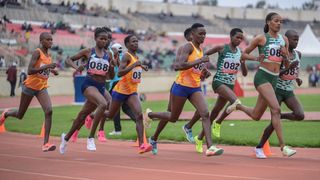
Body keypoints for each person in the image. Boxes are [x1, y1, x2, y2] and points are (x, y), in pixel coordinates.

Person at [146, 23, 223, 156]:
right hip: (181, 87)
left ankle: (210, 147)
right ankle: (150, 116)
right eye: (200, 34)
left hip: (194, 88)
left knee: (205, 113)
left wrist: (203, 73)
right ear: (192, 35)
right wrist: (200, 62)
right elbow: (178, 66)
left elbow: (195, 69)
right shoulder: (187, 47)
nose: (203, 36)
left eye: (205, 34)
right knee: (172, 117)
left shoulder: (201, 50)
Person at [182, 28, 262, 153]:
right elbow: (205, 54)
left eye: (241, 38)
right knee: (235, 102)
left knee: (214, 112)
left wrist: (243, 62)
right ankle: (218, 122)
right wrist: (204, 68)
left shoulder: (240, 53)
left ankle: (200, 137)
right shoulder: (222, 48)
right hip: (219, 82)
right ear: (231, 37)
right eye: (237, 37)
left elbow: (245, 74)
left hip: (229, 85)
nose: (239, 40)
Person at [235, 12, 297, 158]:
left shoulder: (285, 40)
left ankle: (238, 106)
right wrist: (256, 58)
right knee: (276, 109)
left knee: (256, 115)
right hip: (262, 77)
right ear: (269, 22)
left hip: (274, 79)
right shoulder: (261, 38)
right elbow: (243, 55)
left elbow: (286, 64)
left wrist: (285, 56)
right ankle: (284, 147)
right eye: (276, 21)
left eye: (281, 21)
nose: (279, 23)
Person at [59, 27, 115, 154]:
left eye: (106, 39)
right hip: (89, 85)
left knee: (82, 116)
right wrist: (76, 67)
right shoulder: (88, 51)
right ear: (95, 39)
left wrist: (111, 67)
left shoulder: (109, 55)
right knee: (103, 103)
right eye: (101, 38)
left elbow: (110, 77)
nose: (104, 41)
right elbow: (68, 59)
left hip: (101, 87)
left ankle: (65, 138)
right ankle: (91, 138)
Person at [0, 32, 58, 152]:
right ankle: (6, 113)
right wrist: (47, 67)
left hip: (41, 87)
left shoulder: (49, 55)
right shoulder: (37, 52)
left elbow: (44, 67)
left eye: (51, 40)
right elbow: (30, 70)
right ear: (41, 41)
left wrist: (52, 70)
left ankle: (45, 143)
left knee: (49, 111)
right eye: (48, 40)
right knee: (20, 115)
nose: (51, 42)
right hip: (30, 86)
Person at [255, 30, 305, 159]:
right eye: (294, 39)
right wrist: (288, 67)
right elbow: (277, 72)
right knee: (273, 124)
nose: (296, 42)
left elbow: (295, 69)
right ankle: (259, 147)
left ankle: (280, 115)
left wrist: (296, 78)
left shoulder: (298, 54)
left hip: (288, 90)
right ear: (286, 40)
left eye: (297, 39)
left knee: (300, 114)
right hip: (276, 89)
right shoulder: (280, 53)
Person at [104, 34, 152, 154]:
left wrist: (141, 66)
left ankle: (142, 144)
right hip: (120, 91)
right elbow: (120, 73)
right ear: (127, 45)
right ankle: (92, 116)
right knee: (110, 115)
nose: (135, 43)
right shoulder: (126, 56)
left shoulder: (135, 56)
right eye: (133, 42)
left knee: (139, 116)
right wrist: (134, 65)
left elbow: (134, 69)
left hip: (132, 92)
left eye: (136, 41)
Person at [108, 43, 136, 136]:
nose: (111, 50)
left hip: (117, 84)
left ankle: (117, 130)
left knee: (114, 109)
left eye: (113, 48)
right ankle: (139, 121)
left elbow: (117, 71)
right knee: (125, 108)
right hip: (124, 84)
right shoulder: (123, 56)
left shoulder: (118, 58)